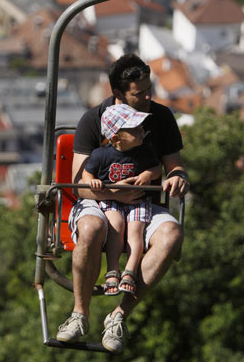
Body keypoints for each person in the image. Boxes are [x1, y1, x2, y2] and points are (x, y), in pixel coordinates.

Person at [56, 54, 189, 353]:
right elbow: (80, 184)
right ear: (118, 94)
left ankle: (119, 315)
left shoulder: (161, 117)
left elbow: (173, 166)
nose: (147, 97)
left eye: (148, 89)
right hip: (100, 203)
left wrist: (178, 178)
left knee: (172, 235)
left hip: (143, 205)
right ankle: (80, 314)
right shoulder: (94, 120)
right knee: (90, 228)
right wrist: (114, 194)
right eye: (138, 93)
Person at [80, 104, 162, 297]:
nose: (142, 131)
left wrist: (149, 174)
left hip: (137, 200)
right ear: (116, 138)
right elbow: (86, 172)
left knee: (136, 230)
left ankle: (130, 272)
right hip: (112, 201)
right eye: (135, 130)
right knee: (115, 225)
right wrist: (93, 182)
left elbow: (157, 168)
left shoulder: (145, 150)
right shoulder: (101, 154)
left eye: (141, 127)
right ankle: (112, 271)